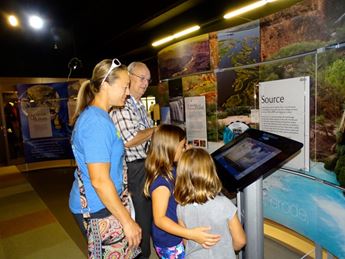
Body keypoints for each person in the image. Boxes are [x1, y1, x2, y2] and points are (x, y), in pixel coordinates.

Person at [69, 59, 141, 257]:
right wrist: (127, 221)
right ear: (105, 85)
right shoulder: (96, 123)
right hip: (98, 207)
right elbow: (100, 181)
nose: (128, 92)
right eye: (125, 86)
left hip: (105, 203)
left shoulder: (100, 117)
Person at [144, 124, 221, 258]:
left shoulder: (172, 169)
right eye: (183, 146)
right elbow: (160, 220)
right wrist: (191, 234)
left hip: (180, 232)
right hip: (170, 241)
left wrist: (189, 154)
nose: (185, 148)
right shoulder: (161, 183)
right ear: (170, 149)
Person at [110, 61, 155, 259]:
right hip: (134, 170)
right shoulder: (123, 104)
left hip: (144, 166)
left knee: (149, 218)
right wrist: (156, 130)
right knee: (141, 221)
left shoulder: (138, 106)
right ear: (129, 77)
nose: (145, 83)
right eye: (141, 78)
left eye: (148, 80)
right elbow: (129, 140)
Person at [175, 148, 246, 259]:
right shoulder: (224, 204)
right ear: (211, 173)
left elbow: (186, 241)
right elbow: (240, 241)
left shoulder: (180, 207)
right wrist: (227, 250)